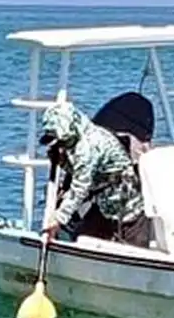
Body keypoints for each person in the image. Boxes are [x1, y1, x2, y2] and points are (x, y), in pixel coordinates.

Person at [39, 97, 153, 248]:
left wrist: (58, 219)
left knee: (134, 254)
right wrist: (62, 161)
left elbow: (81, 186)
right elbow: (84, 172)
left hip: (129, 214)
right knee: (80, 240)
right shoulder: (81, 139)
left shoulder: (91, 145)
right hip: (104, 208)